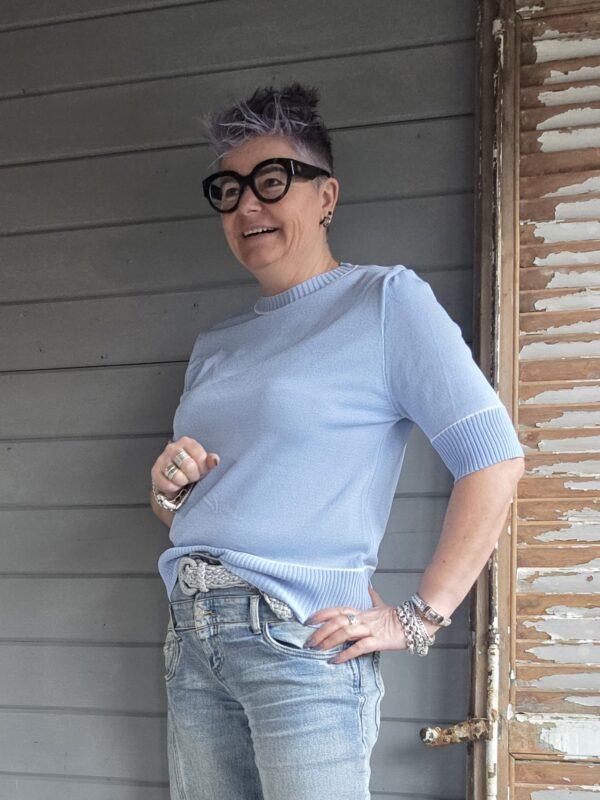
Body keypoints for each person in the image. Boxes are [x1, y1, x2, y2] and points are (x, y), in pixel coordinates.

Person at [149, 82, 525, 800]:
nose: (246, 206)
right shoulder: (216, 345)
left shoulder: (384, 302)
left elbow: (494, 458)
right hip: (192, 636)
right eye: (228, 190)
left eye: (271, 181)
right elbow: (201, 507)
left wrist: (419, 618)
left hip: (299, 641)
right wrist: (167, 490)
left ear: (326, 196)